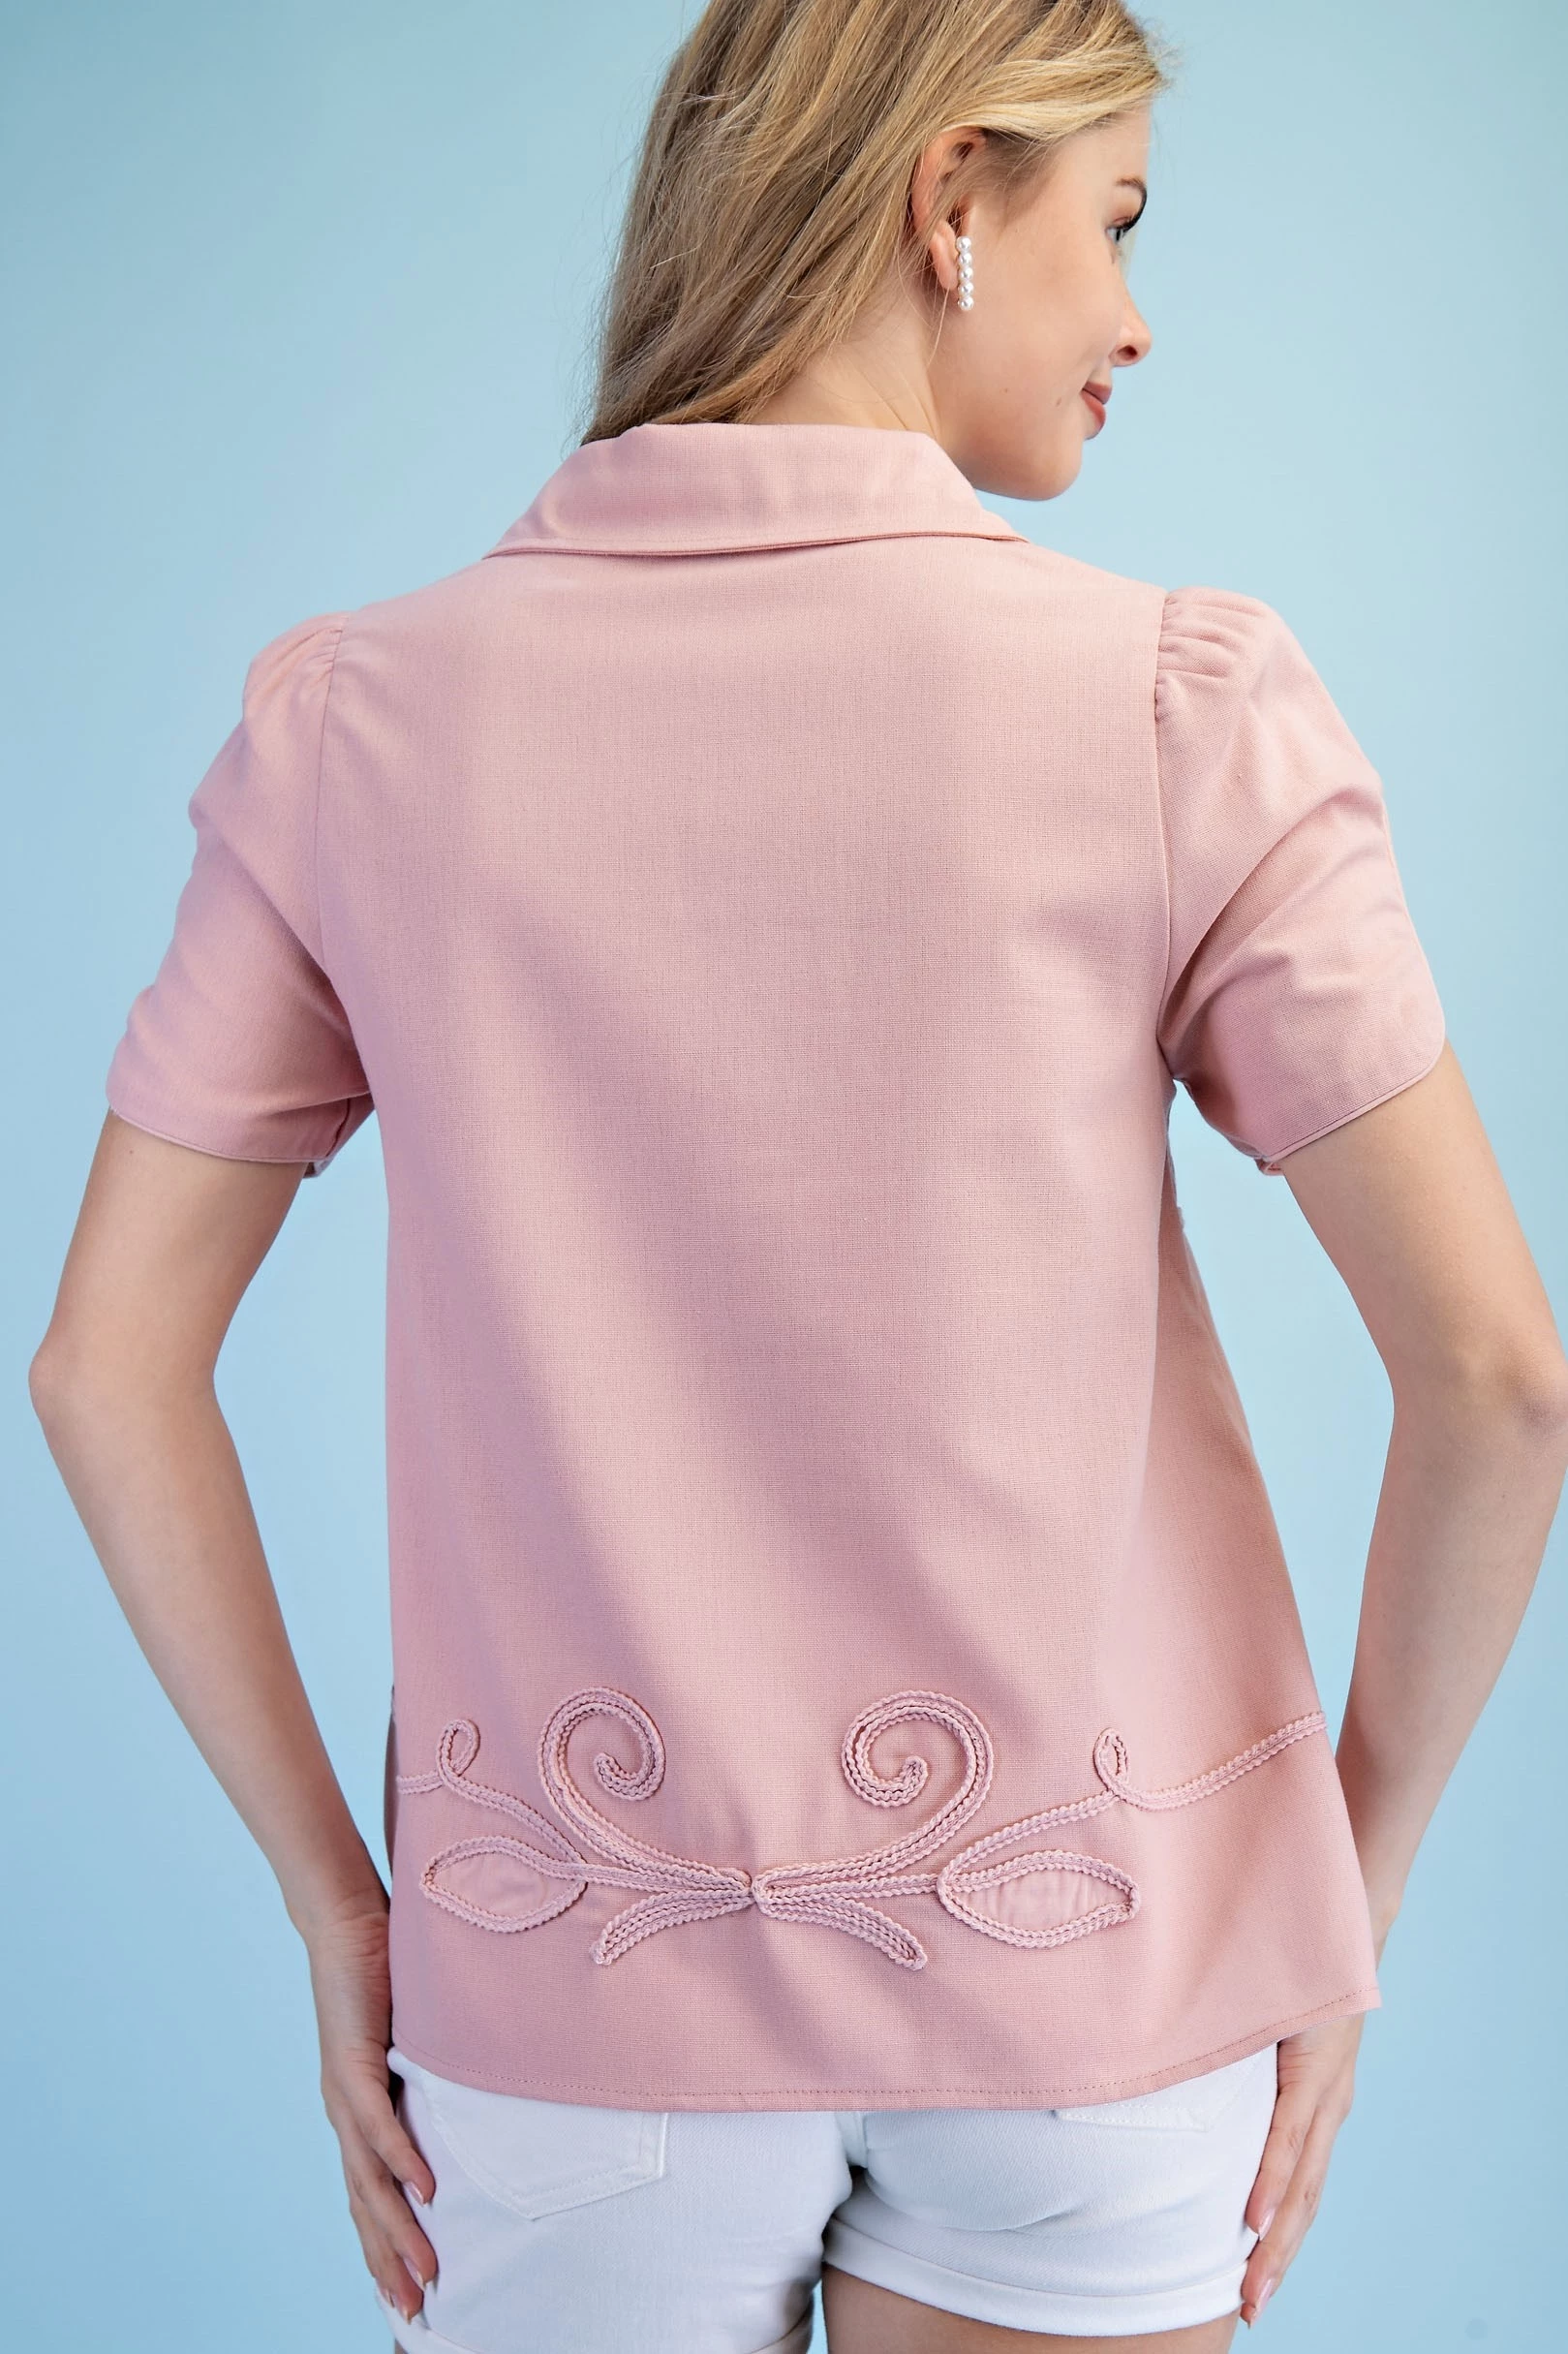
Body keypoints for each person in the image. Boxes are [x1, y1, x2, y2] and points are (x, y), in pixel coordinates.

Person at [29, 1, 1568, 2349]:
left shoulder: (356, 724)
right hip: (1093, 1990)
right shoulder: (1175, 702)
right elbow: (1496, 1378)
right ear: (949, 199)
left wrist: (344, 1903)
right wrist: (1330, 1895)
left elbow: (102, 1370)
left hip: (563, 2012)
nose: (1135, 315)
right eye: (1112, 221)